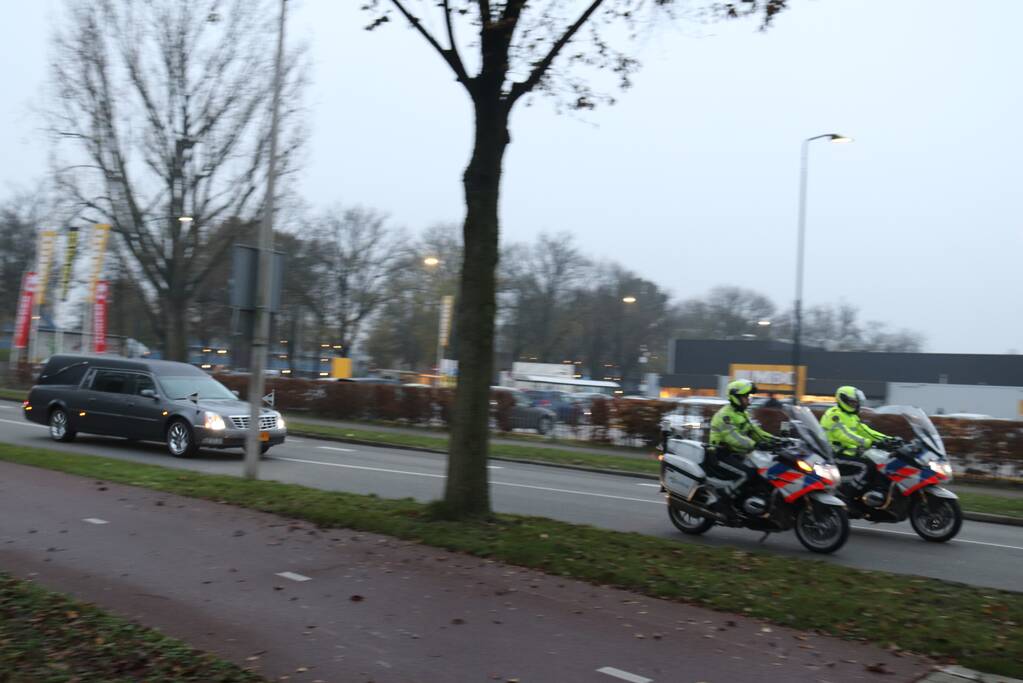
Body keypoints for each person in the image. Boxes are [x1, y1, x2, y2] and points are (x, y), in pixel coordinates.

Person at [709, 379, 779, 502]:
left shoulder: (743, 414)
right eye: (746, 397)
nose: (748, 399)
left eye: (748, 396)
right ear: (736, 397)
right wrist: (755, 444)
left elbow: (756, 432)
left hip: (736, 454)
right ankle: (723, 501)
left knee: (761, 471)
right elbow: (733, 437)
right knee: (746, 474)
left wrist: (776, 440)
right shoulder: (724, 415)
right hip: (720, 454)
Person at [819, 386, 895, 492]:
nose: (855, 405)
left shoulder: (851, 416)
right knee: (867, 466)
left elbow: (865, 431)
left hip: (851, 454)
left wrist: (889, 439)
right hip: (836, 455)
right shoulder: (834, 415)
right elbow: (846, 434)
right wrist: (870, 443)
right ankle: (849, 495)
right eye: (852, 402)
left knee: (880, 464)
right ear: (843, 400)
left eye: (856, 402)